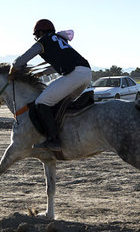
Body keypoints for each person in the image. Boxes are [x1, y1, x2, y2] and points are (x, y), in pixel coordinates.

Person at [10, 19, 91, 151]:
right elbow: (60, 64)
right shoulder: (58, 40)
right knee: (59, 104)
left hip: (75, 75)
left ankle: (53, 140)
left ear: (40, 32)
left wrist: (13, 68)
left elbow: (20, 61)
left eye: (36, 35)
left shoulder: (44, 41)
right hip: (86, 73)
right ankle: (66, 132)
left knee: (42, 102)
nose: (36, 38)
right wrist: (42, 73)